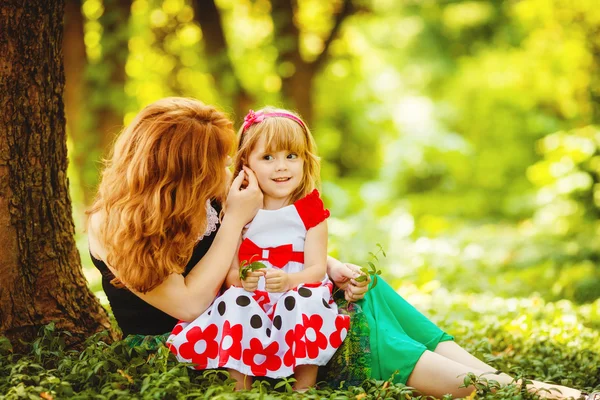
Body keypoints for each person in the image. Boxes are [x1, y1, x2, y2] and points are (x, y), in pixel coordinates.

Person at [87, 97, 591, 400]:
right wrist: (235, 219)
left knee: (363, 293)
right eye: (212, 163)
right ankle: (518, 393)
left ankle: (500, 380)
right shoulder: (113, 225)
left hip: (257, 309)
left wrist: (329, 264)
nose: (225, 171)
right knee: (359, 331)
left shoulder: (206, 192)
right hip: (210, 344)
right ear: (173, 170)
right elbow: (189, 304)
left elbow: (269, 239)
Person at [166, 107, 350, 391]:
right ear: (246, 164)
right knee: (234, 301)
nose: (282, 166)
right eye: (268, 157)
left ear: (305, 161)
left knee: (304, 300)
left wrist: (290, 281)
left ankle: (304, 388)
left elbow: (315, 269)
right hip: (254, 297)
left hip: (294, 292)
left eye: (292, 156)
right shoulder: (240, 208)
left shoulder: (310, 211)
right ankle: (241, 387)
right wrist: (241, 279)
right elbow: (230, 271)